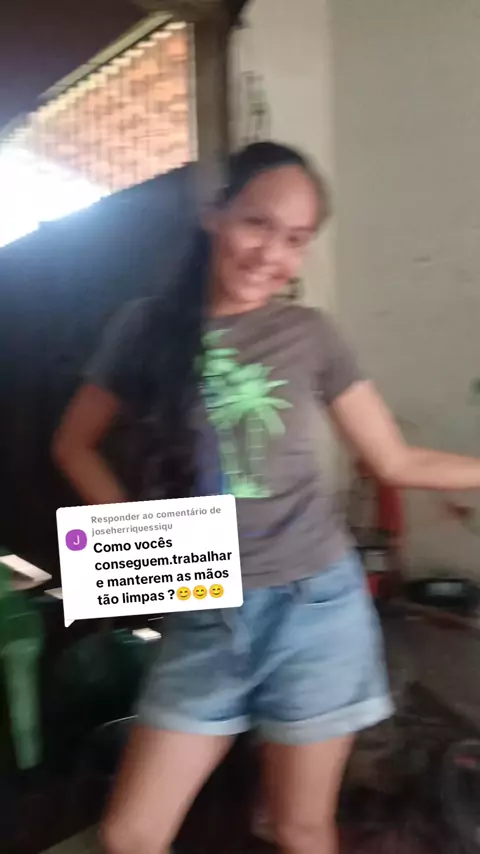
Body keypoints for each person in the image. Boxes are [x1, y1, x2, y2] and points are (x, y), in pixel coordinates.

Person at [53, 141, 480, 854]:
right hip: (205, 611)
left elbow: (394, 460)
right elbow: (73, 445)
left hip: (316, 610)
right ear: (215, 214)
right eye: (257, 224)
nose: (271, 255)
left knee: (298, 827)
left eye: (295, 239)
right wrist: (140, 539)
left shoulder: (310, 335)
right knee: (130, 833)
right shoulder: (145, 328)